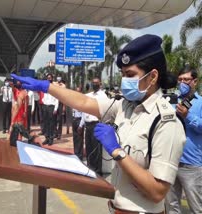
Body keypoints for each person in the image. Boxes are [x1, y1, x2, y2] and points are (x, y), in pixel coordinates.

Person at [11, 34, 186, 213]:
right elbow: (85, 103)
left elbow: (157, 192)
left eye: (130, 75)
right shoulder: (125, 106)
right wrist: (46, 87)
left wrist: (117, 152)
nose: (125, 81)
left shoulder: (166, 122)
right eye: (123, 75)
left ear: (153, 76)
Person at [166, 66, 202, 214]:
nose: (182, 83)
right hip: (171, 161)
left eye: (186, 80)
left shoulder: (200, 102)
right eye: (179, 79)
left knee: (196, 207)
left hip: (192, 165)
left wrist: (188, 116)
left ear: (195, 81)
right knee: (171, 206)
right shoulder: (172, 100)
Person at [78, 77, 109, 174]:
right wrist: (81, 124)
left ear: (100, 84)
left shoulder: (103, 96)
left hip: (97, 124)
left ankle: (97, 171)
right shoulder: (89, 95)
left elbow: (106, 111)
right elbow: (84, 111)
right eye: (93, 82)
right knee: (88, 147)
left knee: (96, 149)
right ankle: (90, 168)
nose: (94, 84)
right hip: (88, 125)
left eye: (96, 83)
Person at [41, 73, 58, 146]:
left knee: (51, 124)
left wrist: (56, 108)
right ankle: (47, 138)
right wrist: (43, 103)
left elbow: (57, 98)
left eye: (50, 78)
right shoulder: (45, 87)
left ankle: (51, 139)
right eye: (48, 78)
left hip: (52, 107)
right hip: (45, 106)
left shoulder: (54, 87)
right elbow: (44, 96)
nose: (49, 79)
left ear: (52, 78)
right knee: (46, 123)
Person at [72, 87, 84, 160]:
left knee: (80, 139)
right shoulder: (74, 100)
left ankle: (80, 155)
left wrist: (81, 125)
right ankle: (76, 153)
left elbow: (84, 114)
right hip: (74, 120)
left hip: (79, 121)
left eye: (78, 91)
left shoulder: (82, 101)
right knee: (75, 138)